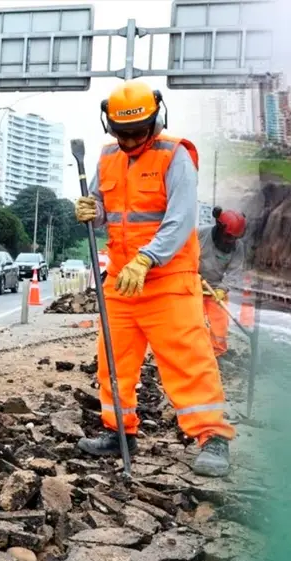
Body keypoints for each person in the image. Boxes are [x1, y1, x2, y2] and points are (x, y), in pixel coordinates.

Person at [74, 80, 234, 477]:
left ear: (156, 120)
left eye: (137, 133)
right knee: (114, 361)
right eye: (121, 133)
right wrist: (90, 211)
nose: (129, 141)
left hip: (166, 279)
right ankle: (119, 432)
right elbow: (104, 213)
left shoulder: (175, 155)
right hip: (122, 281)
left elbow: (180, 220)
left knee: (188, 360)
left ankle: (213, 437)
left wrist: (146, 259)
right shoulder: (108, 156)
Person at [198, 206, 247, 357]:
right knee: (192, 323)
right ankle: (191, 353)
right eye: (228, 237)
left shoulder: (238, 247)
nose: (230, 241)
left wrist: (222, 289)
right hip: (192, 286)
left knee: (219, 327)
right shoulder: (199, 234)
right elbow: (183, 255)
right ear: (219, 228)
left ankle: (217, 353)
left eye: (234, 238)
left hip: (216, 290)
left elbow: (234, 272)